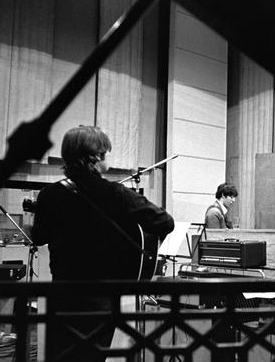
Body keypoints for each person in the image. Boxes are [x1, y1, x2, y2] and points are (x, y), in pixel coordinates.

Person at [32, 126, 174, 361]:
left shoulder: (49, 194)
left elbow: (39, 238)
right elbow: (164, 222)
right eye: (105, 152)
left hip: (63, 295)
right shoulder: (116, 193)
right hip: (101, 297)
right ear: (96, 156)